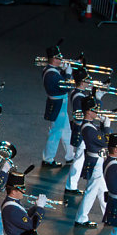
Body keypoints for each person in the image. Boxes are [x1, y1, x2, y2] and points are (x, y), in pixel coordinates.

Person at [73, 96, 111, 228]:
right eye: (94, 110)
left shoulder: (90, 125)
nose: (97, 113)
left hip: (97, 159)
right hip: (96, 161)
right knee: (92, 191)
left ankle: (108, 214)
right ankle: (81, 218)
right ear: (88, 111)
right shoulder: (88, 127)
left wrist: (102, 126)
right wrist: (107, 128)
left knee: (102, 190)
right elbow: (105, 142)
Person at [40, 40, 74, 168]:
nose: (61, 60)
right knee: (56, 132)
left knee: (66, 131)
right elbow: (66, 87)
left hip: (60, 103)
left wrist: (65, 72)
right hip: (58, 104)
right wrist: (69, 74)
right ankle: (48, 159)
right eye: (59, 57)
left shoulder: (52, 70)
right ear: (53, 59)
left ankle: (70, 155)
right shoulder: (52, 74)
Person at [64, 67, 91, 194]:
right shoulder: (78, 96)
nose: (89, 82)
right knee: (79, 158)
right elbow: (79, 115)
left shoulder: (77, 93)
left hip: (81, 128)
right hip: (81, 129)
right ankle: (71, 186)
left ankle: (72, 184)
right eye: (87, 80)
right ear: (82, 82)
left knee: (80, 157)